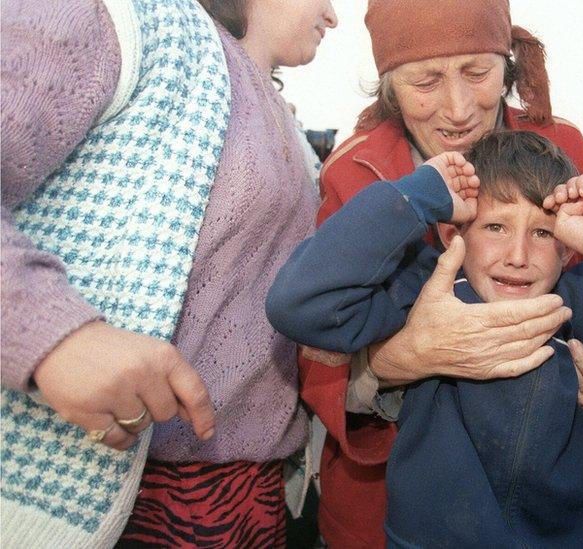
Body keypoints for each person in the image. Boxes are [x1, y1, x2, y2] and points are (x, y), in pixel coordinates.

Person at [267, 130, 583, 547]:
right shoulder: (423, 291)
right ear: (456, 231)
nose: (518, 256)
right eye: (495, 227)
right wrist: (416, 197)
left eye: (542, 232)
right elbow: (297, 304)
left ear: (567, 247)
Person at [296, 1, 583, 545]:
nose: (459, 108)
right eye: (425, 81)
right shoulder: (355, 171)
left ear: (508, 64)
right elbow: (310, 348)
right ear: (389, 88)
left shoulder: (563, 149)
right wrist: (403, 359)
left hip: (554, 510)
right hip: (396, 515)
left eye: (478, 73)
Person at [1, 0, 337, 546]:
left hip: (250, 496)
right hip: (114, 497)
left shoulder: (285, 125)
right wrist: (47, 335)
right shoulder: (122, 18)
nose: (332, 14)